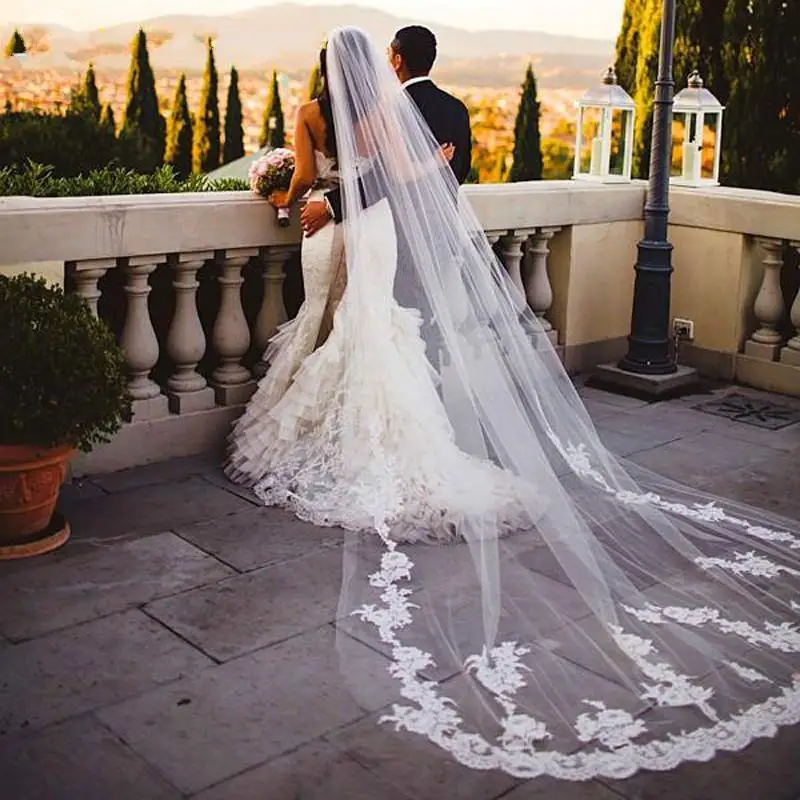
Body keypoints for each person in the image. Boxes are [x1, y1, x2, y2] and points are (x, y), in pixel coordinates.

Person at [227, 26, 800, 783]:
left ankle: (363, 440)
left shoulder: (321, 114)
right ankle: (378, 433)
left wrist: (302, 192)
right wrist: (408, 173)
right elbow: (414, 181)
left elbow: (349, 182)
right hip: (380, 234)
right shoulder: (384, 117)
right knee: (374, 335)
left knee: (363, 332)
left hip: (356, 231)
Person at [299, 25, 472, 237]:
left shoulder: (387, 109)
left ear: (397, 61)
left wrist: (330, 205)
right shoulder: (456, 108)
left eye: (388, 54)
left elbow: (383, 176)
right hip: (443, 229)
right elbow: (460, 169)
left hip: (397, 230)